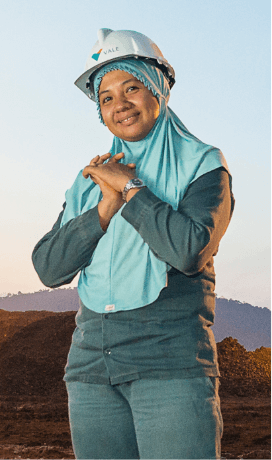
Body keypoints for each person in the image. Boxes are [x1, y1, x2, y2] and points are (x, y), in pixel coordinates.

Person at [32, 28, 235, 460]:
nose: (119, 104)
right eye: (105, 97)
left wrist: (132, 190)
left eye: (132, 87)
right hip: (91, 366)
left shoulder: (203, 165)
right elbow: (49, 267)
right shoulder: (91, 181)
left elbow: (188, 251)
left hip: (169, 361)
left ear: (158, 88)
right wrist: (104, 206)